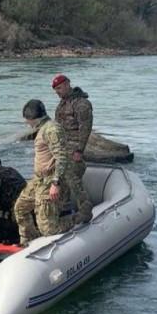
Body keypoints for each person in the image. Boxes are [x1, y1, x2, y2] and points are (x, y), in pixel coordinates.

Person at [13, 99, 75, 245]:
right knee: (20, 208)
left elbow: (62, 156)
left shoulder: (51, 129)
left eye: (27, 120)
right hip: (38, 179)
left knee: (48, 229)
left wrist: (56, 182)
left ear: (33, 118)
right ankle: (29, 239)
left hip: (49, 180)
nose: (27, 123)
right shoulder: (42, 129)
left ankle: (76, 219)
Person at [52, 73, 94, 225]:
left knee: (73, 180)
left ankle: (85, 209)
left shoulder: (81, 103)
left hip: (74, 148)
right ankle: (63, 212)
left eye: (60, 88)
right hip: (62, 150)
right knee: (61, 182)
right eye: (56, 89)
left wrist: (79, 150)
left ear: (68, 84)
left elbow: (85, 128)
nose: (58, 91)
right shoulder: (62, 104)